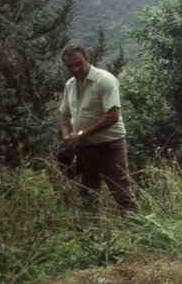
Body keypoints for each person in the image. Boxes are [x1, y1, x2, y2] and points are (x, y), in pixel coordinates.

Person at [59, 43, 139, 213]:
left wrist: (80, 134)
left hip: (110, 146)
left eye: (78, 63)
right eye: (70, 66)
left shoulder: (104, 80)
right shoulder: (70, 85)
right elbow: (64, 115)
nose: (75, 69)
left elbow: (112, 115)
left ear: (88, 59)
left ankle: (143, 235)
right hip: (85, 148)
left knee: (122, 193)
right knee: (87, 194)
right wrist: (67, 136)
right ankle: (91, 235)